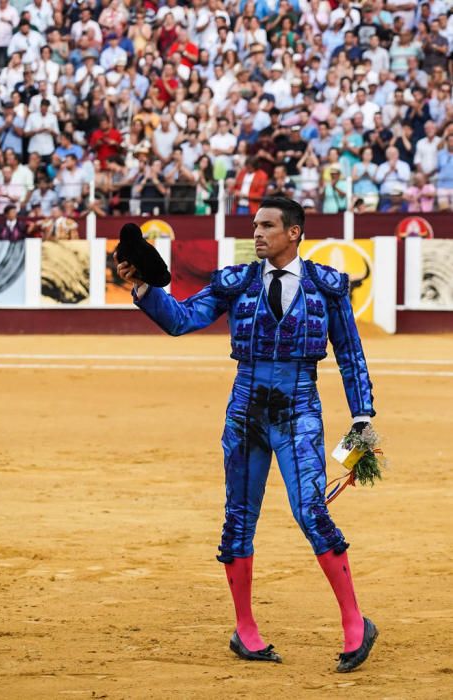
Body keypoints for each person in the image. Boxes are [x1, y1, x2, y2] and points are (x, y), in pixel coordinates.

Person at [115, 196, 378, 673]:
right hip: (245, 412)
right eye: (255, 225)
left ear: (293, 232)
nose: (256, 233)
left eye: (267, 226)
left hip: (300, 409)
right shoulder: (236, 283)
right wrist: (144, 288)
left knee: (311, 512)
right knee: (238, 520)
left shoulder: (326, 287)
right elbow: (180, 320)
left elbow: (351, 355)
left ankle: (355, 621)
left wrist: (362, 420)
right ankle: (245, 629)